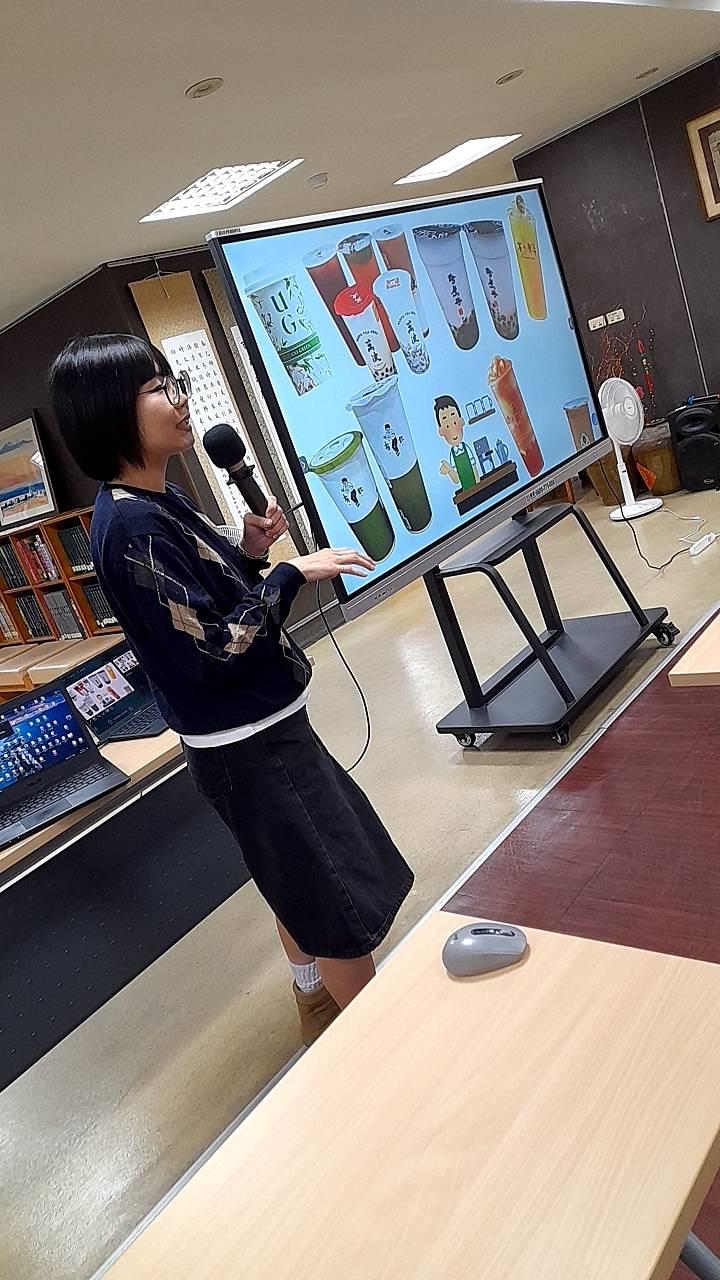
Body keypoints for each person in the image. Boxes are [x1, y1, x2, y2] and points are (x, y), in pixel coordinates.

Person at [49, 333, 414, 1045]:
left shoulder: (156, 499)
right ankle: (382, 1052)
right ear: (109, 411)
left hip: (261, 737)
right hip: (252, 750)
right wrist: (289, 573)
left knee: (297, 874)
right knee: (332, 896)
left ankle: (313, 999)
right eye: (159, 389)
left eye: (173, 382)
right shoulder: (131, 527)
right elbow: (218, 648)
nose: (180, 401)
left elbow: (205, 611)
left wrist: (248, 554)